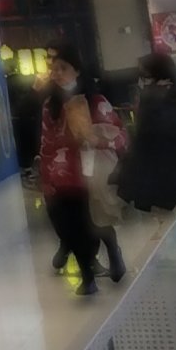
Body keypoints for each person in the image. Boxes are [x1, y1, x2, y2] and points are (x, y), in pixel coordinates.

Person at [40, 49, 129, 295]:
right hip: (63, 175)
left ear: (77, 70)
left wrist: (99, 140)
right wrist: (46, 175)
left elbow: (120, 134)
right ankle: (87, 276)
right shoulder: (50, 106)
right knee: (73, 227)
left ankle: (113, 252)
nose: (57, 74)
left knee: (97, 221)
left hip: (92, 174)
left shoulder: (96, 101)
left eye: (63, 68)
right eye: (54, 69)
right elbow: (46, 142)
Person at [119, 53, 176, 213]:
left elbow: (147, 136)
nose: (141, 81)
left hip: (163, 176)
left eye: (145, 75)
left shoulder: (154, 100)